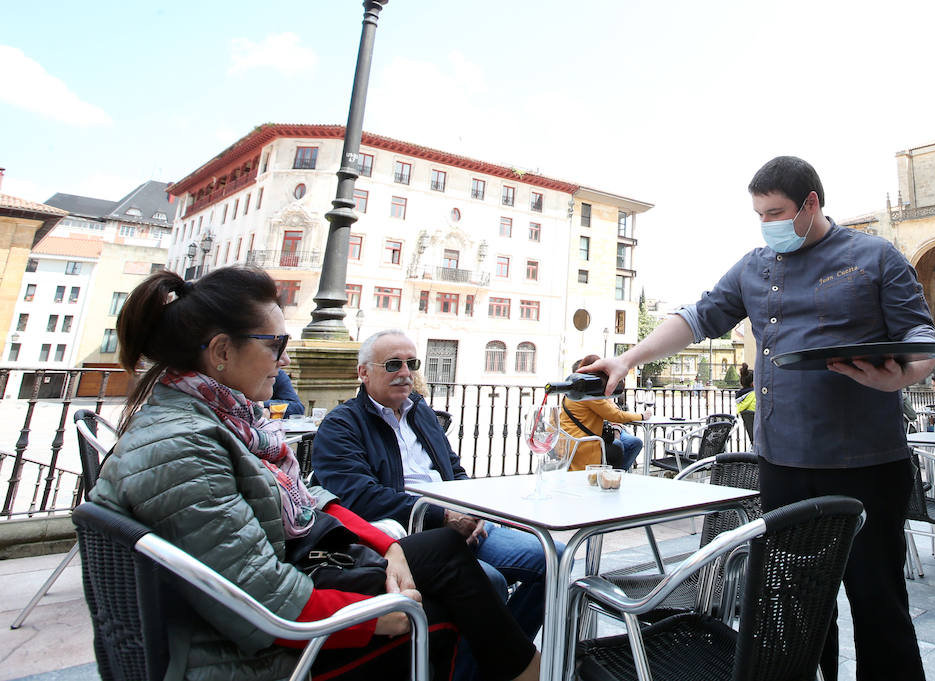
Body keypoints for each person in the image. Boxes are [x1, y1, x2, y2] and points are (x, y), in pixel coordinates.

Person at [582, 156, 935, 681]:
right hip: (784, 463)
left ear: (811, 204)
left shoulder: (876, 256)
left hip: (866, 463)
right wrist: (629, 358)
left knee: (878, 600)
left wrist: (902, 377)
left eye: (776, 211)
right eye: (759, 213)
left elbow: (922, 340)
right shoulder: (754, 266)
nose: (767, 223)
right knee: (795, 606)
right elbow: (698, 316)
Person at [88, 268, 538, 681]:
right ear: (223, 351)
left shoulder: (220, 419)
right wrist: (377, 615)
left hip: (294, 576)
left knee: (446, 557)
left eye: (411, 365)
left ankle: (521, 670)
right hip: (245, 655)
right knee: (456, 606)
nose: (285, 361)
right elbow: (265, 600)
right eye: (276, 345)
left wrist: (390, 546)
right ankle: (524, 670)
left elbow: (308, 500)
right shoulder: (186, 446)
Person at [311, 328, 555, 655]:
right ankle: (493, 662)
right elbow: (359, 497)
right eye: (393, 365)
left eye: (412, 363)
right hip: (409, 535)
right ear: (363, 372)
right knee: (490, 581)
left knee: (555, 558)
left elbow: (452, 468)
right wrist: (443, 517)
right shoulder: (342, 424)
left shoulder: (421, 411)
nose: (405, 373)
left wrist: (474, 508)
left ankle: (499, 663)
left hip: (464, 522)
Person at [558, 354, 645, 470]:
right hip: (583, 442)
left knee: (633, 442)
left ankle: (615, 475)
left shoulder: (574, 391)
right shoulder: (589, 393)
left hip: (569, 440)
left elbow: (612, 412)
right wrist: (642, 416)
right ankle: (614, 475)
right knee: (623, 445)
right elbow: (615, 415)